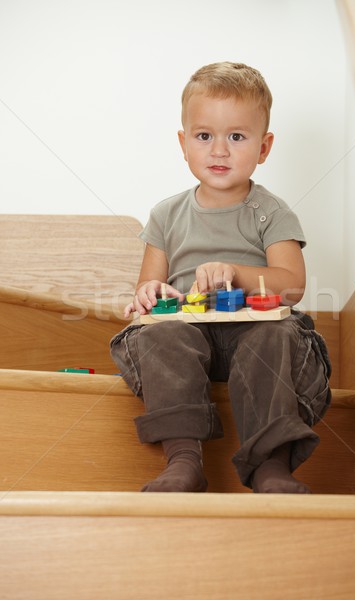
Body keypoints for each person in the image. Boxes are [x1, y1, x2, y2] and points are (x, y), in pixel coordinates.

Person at [110, 61, 331, 494]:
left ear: (264, 147)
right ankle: (184, 461)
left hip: (255, 335)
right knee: (158, 335)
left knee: (279, 333)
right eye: (204, 135)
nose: (219, 151)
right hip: (188, 340)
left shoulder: (270, 212)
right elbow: (147, 288)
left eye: (237, 136)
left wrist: (235, 272)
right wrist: (150, 291)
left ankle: (270, 467)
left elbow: (292, 282)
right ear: (183, 142)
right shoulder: (166, 215)